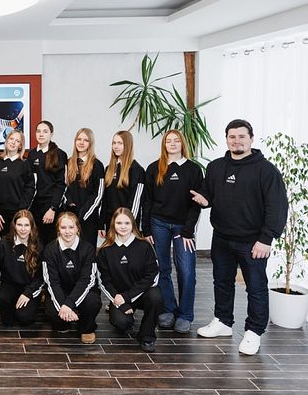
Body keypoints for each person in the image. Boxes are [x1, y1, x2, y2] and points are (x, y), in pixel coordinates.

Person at [192, 119, 288, 355]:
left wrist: (266, 238)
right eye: (232, 137)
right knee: (221, 282)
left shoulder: (266, 170)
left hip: (253, 242)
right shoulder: (216, 167)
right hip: (221, 237)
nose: (237, 141)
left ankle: (254, 331)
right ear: (226, 139)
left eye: (242, 136)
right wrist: (204, 200)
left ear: (251, 139)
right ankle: (223, 322)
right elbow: (210, 194)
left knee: (255, 287)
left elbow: (277, 206)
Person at [142, 129, 203, 333]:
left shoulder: (193, 170)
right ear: (164, 145)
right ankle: (168, 308)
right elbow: (147, 201)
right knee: (162, 268)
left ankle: (185, 314)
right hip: (158, 223)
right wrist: (146, 229)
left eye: (177, 140)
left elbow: (196, 204)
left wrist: (188, 230)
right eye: (169, 141)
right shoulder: (154, 168)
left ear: (182, 144)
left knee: (186, 270)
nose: (173, 144)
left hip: (182, 227)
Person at [97, 207, 163, 353]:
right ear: (113, 224)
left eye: (127, 223)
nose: (123, 227)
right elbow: (104, 281)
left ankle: (147, 336)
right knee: (121, 323)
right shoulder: (105, 250)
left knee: (156, 296)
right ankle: (127, 317)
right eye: (119, 223)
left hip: (141, 294)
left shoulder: (144, 246)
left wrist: (128, 297)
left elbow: (152, 276)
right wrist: (120, 301)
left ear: (133, 224)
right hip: (119, 297)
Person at [42, 212, 101, 343]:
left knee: (93, 302)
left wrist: (68, 304)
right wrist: (63, 304)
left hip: (83, 290)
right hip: (61, 290)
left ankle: (86, 328)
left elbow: (87, 280)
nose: (67, 231)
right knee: (53, 314)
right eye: (63, 227)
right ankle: (64, 322)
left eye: (71, 227)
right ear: (58, 229)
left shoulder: (88, 249)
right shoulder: (50, 249)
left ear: (77, 229)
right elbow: (52, 282)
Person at [0, 209, 44, 326]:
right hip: (10, 285)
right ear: (14, 225)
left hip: (30, 287)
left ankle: (28, 304)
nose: (23, 229)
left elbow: (40, 277)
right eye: (19, 225)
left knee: (25, 318)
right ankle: (11, 307)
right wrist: (5, 287)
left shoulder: (39, 246)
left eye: (26, 225)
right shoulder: (4, 243)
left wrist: (28, 293)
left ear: (32, 227)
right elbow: (1, 271)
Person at [0, 129, 35, 238]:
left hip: (18, 214)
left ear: (20, 146)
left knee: (18, 242)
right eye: (11, 139)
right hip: (1, 215)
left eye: (17, 141)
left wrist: (21, 212)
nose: (13, 142)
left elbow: (30, 188)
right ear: (6, 141)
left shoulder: (25, 163)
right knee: (5, 242)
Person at [27, 121, 68, 244]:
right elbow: (29, 183)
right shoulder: (31, 154)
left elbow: (61, 184)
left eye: (45, 131)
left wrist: (52, 209)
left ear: (51, 134)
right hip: (35, 207)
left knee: (51, 244)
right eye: (38, 131)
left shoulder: (59, 154)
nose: (41, 134)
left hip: (51, 207)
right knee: (36, 243)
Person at [65, 128, 105, 247]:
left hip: (88, 218)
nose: (81, 143)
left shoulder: (97, 165)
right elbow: (64, 187)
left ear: (90, 143)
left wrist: (83, 214)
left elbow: (98, 194)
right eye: (79, 139)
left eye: (86, 140)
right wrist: (70, 204)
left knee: (87, 251)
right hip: (71, 217)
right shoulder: (69, 162)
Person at [102, 130, 145, 232]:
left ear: (128, 145)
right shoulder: (109, 169)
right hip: (111, 223)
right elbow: (105, 200)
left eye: (120, 143)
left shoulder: (137, 170)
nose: (116, 146)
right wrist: (101, 224)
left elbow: (136, 202)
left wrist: (126, 224)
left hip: (127, 226)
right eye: (114, 143)